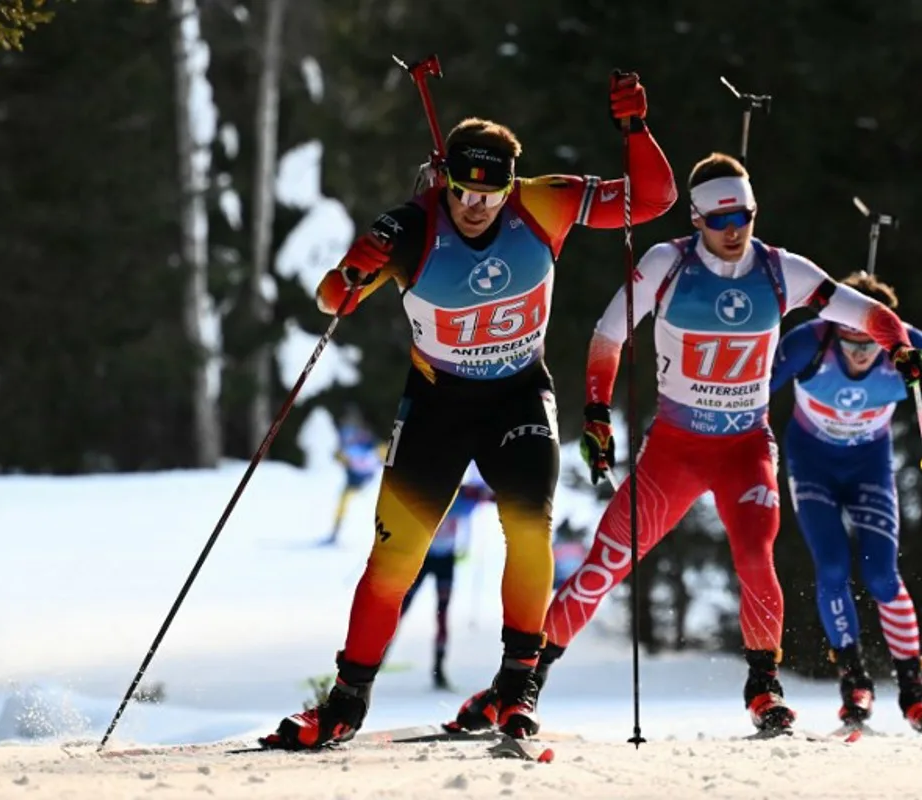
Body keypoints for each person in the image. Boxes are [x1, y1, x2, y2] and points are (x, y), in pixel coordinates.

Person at [452, 151, 922, 738]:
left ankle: (764, 686)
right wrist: (599, 414)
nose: (734, 233)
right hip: (674, 452)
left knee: (757, 557)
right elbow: (609, 334)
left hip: (745, 449)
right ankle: (522, 683)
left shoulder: (784, 271)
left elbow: (869, 311)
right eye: (720, 220)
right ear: (697, 219)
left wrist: (903, 346)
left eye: (744, 218)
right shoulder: (667, 263)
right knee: (607, 563)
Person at [261, 71, 677, 750]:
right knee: (394, 557)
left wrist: (636, 129)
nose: (476, 206)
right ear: (443, 180)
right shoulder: (409, 227)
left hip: (518, 394)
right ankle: (344, 703)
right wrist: (355, 268)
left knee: (529, 526)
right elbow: (332, 300)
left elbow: (653, 200)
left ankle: (518, 688)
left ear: (510, 185)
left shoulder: (544, 203)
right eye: (462, 192)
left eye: (490, 193)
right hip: (437, 403)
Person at [768, 271, 922, 732]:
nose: (858, 349)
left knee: (881, 574)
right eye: (849, 335)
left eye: (870, 338)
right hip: (812, 466)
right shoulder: (810, 342)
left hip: (869, 469)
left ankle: (913, 689)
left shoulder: (909, 347)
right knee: (831, 567)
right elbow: (752, 390)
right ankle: (854, 682)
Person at [396, 463, 495, 691]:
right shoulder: (434, 492)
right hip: (422, 558)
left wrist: (483, 493)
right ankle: (375, 658)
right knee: (402, 608)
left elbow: (490, 497)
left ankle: (439, 670)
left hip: (445, 560)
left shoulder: (462, 494)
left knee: (442, 613)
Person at [321, 418, 384, 546]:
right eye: (359, 434)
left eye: (364, 434)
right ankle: (335, 532)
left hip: (368, 484)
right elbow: (339, 457)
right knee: (343, 505)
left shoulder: (376, 447)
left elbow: (387, 455)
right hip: (352, 484)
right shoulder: (351, 447)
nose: (361, 436)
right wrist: (339, 456)